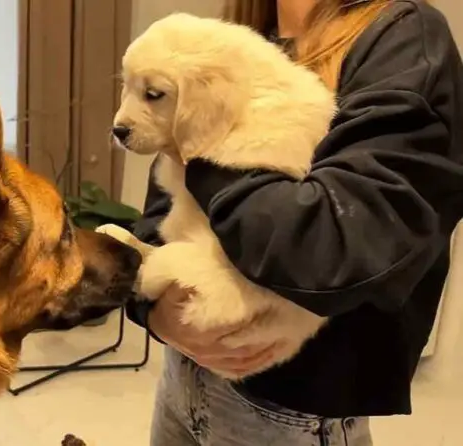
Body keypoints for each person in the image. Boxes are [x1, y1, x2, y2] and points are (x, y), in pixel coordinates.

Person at [125, 1, 463, 445]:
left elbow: (331, 250)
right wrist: (153, 312)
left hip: (292, 410)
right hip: (184, 378)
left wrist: (202, 155)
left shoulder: (402, 39)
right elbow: (163, 209)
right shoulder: (238, 38)